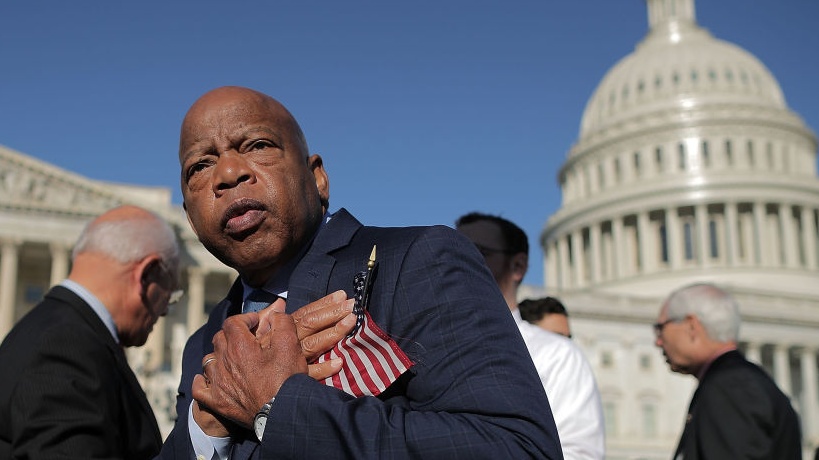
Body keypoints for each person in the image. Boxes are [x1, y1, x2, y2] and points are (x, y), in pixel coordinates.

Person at [157, 86, 562, 459]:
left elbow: (520, 449)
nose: (228, 174)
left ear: (317, 178)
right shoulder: (205, 342)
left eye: (258, 145)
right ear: (190, 221)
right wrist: (205, 425)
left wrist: (278, 405)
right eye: (200, 166)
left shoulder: (418, 262)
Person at [0, 205, 182, 459]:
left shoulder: (39, 330)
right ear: (146, 275)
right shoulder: (67, 347)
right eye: (169, 296)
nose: (164, 313)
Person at [455, 212, 605, 459]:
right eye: (450, 251)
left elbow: (579, 453)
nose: (456, 262)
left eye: (477, 252)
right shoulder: (415, 344)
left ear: (518, 266)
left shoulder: (556, 356)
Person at [655, 282, 801, 459]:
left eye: (660, 328)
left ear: (691, 326)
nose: (658, 341)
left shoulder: (728, 388)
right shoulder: (742, 381)